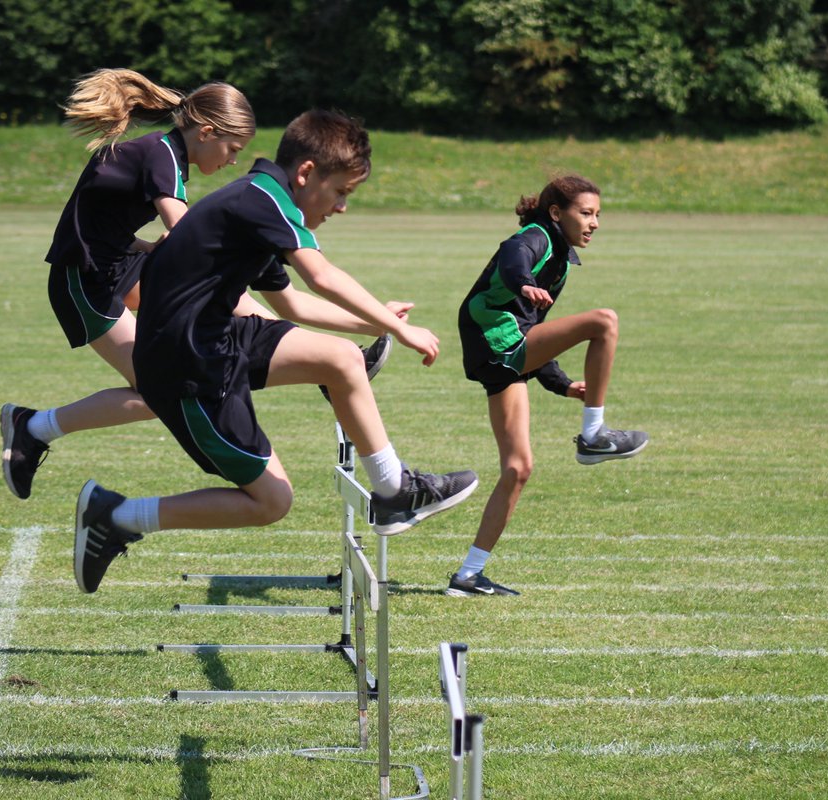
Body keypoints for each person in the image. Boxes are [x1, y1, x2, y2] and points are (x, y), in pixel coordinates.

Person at [72, 109, 478, 594]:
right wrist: (398, 329)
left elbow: (289, 302)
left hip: (216, 337)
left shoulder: (260, 200)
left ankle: (394, 492)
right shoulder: (262, 200)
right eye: (341, 193)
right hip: (188, 367)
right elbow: (321, 278)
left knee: (343, 358)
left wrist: (377, 322)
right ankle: (116, 516)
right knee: (272, 502)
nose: (342, 207)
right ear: (307, 173)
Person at [0, 69, 390, 500]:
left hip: (121, 262)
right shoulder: (163, 157)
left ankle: (326, 359)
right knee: (156, 386)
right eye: (232, 148)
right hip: (86, 279)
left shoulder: (167, 155)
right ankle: (33, 427)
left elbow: (103, 216)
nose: (233, 160)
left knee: (212, 302)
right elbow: (184, 233)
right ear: (206, 132)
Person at [447, 175, 648, 597]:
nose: (594, 223)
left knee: (518, 469)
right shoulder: (537, 237)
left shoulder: (561, 257)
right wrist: (522, 280)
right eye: (586, 213)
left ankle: (468, 575)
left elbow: (531, 325)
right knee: (604, 321)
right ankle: (593, 434)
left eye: (598, 215)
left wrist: (560, 384)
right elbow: (513, 255)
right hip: (497, 346)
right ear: (557, 213)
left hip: (504, 356)